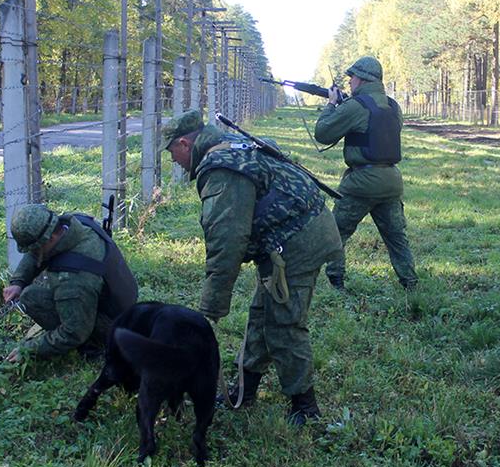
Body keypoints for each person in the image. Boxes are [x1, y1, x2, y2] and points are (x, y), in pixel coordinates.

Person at [162, 110, 343, 425]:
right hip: (292, 239)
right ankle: (245, 391)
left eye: (171, 152)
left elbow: (227, 244)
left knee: (285, 324)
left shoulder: (221, 170)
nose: (173, 160)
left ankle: (306, 408)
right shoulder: (231, 146)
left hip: (299, 244)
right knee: (262, 315)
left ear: (183, 143)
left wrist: (210, 310)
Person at [314, 56, 418, 290]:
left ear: (362, 79)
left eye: (352, 77)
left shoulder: (355, 106)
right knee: (397, 238)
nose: (349, 82)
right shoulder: (394, 106)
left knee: (336, 233)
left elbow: (323, 133)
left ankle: (336, 281)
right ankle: (410, 283)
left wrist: (331, 105)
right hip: (391, 181)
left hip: (361, 183)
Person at [3, 204, 138, 362]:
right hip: (126, 309)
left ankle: (93, 346)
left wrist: (29, 349)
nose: (32, 253)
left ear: (50, 238)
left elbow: (73, 332)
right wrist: (18, 281)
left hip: (113, 328)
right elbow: (37, 251)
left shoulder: (73, 279)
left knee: (31, 297)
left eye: (34, 249)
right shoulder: (75, 224)